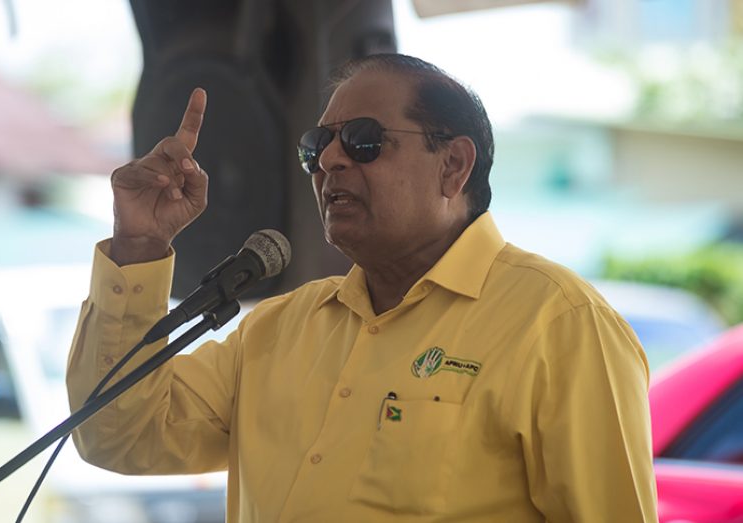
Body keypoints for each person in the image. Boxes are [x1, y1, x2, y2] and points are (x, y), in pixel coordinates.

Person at [67, 54, 658, 522]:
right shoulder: (279, 328)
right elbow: (116, 436)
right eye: (316, 147)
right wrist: (138, 244)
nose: (329, 161)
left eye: (363, 139)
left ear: (453, 166)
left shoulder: (559, 324)